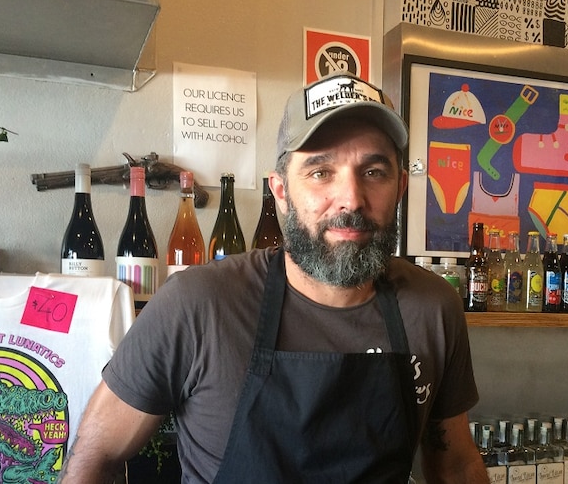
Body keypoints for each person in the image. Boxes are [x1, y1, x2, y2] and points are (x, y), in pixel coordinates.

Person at [59, 72, 489, 483]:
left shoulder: (432, 307)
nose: (352, 198)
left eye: (374, 172)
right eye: (321, 172)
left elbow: (455, 466)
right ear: (281, 190)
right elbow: (97, 453)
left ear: (400, 188)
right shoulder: (198, 304)